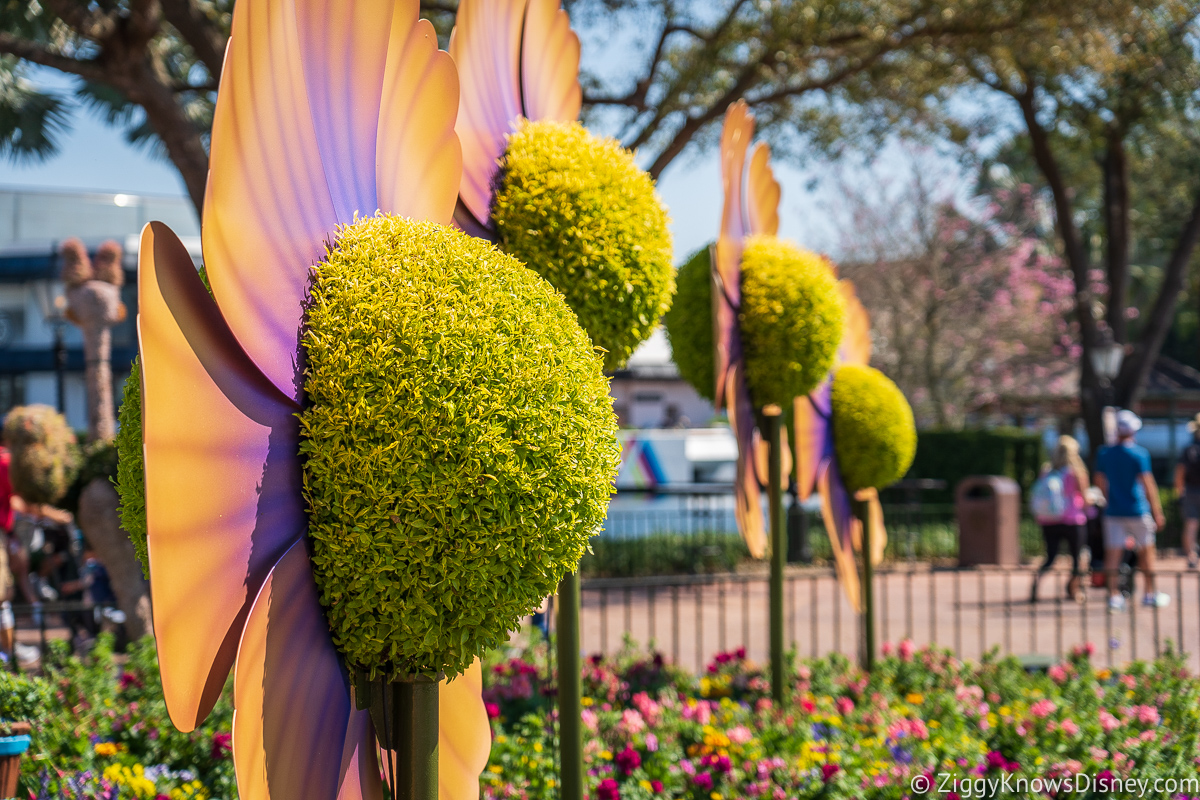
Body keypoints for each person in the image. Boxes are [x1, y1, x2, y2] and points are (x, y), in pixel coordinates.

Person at [1096, 410, 1168, 611]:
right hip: (1137, 510)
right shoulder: (1139, 453)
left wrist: (1109, 499)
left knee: (1113, 555)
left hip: (1114, 512)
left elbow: (1099, 481)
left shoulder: (1104, 453)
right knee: (1147, 553)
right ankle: (1149, 594)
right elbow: (1148, 485)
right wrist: (1157, 512)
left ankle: (1113, 596)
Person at [1031, 436, 1091, 604]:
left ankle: (1035, 584)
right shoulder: (1077, 472)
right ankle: (1074, 589)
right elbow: (1085, 499)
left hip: (1049, 520)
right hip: (1073, 520)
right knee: (1078, 558)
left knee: (1050, 557)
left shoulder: (1047, 470)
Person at [1174, 413, 1200, 569]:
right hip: (1191, 489)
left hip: (1190, 491)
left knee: (1190, 525)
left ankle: (1191, 557)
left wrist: (1179, 493)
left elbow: (1179, 473)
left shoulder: (1188, 450)